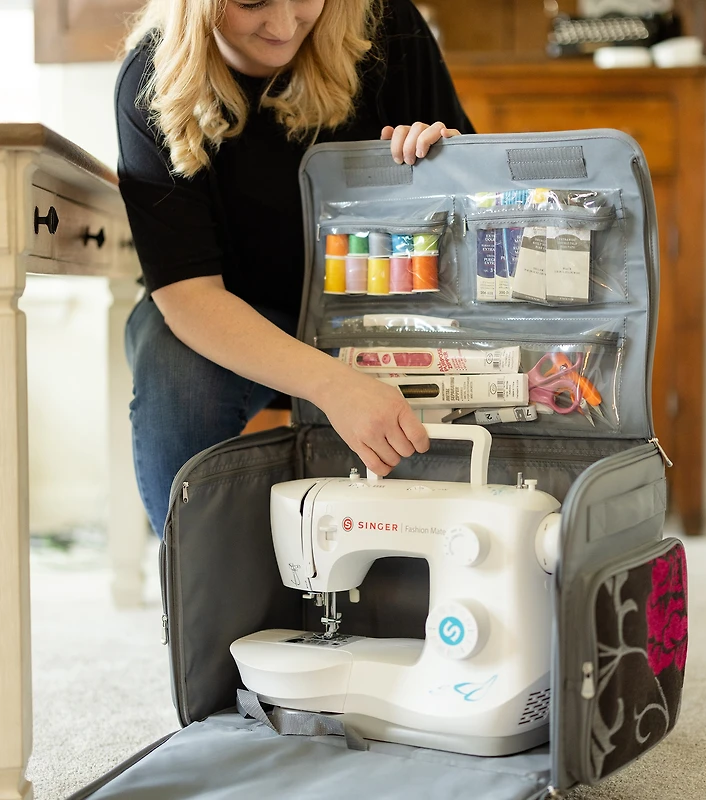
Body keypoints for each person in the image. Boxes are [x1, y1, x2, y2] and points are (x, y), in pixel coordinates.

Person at [115, 0, 475, 536]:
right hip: (238, 320)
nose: (283, 27)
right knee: (173, 365)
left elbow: (479, 198)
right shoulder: (149, 81)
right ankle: (204, 598)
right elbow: (189, 296)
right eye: (251, 2)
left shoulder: (387, 25)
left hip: (380, 308)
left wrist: (448, 160)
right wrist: (336, 386)